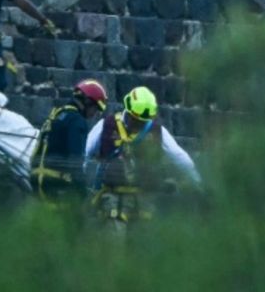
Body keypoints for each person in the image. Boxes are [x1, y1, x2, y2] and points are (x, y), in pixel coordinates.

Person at [83, 86, 201, 222]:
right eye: (136, 119)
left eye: (143, 121)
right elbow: (85, 152)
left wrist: (197, 183)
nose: (139, 124)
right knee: (113, 238)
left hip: (145, 200)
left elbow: (181, 159)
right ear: (129, 111)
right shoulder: (106, 125)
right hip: (112, 198)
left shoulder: (158, 132)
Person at [30, 79, 107, 201]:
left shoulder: (56, 115)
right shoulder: (77, 121)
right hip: (57, 186)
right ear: (87, 102)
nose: (94, 114)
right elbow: (75, 160)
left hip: (37, 180)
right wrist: (83, 193)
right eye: (96, 109)